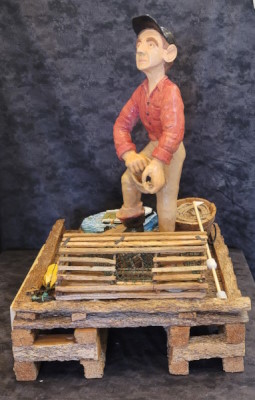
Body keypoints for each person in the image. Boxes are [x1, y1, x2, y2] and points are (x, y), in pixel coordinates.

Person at [113, 15, 186, 231]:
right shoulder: (141, 92)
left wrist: (157, 163)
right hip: (156, 145)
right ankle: (134, 225)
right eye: (139, 43)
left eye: (150, 43)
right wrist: (129, 154)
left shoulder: (170, 92)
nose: (141, 49)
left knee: (164, 198)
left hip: (171, 150)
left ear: (168, 53)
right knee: (128, 180)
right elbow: (121, 125)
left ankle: (166, 249)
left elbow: (173, 132)